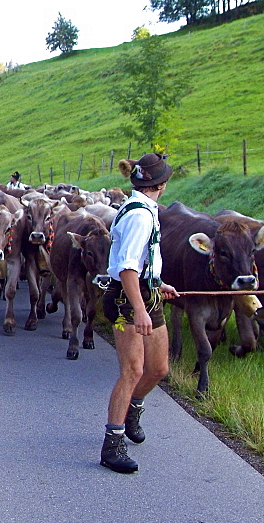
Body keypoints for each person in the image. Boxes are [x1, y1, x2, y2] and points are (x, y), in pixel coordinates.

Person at [99, 153, 179, 473]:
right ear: (162, 184)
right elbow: (127, 267)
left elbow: (142, 263)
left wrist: (159, 282)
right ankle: (112, 444)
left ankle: (133, 408)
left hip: (148, 292)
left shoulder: (146, 210)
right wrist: (140, 309)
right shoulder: (139, 216)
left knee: (158, 369)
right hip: (127, 300)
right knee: (132, 371)